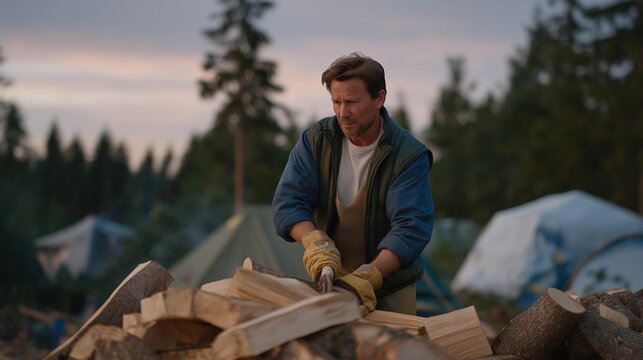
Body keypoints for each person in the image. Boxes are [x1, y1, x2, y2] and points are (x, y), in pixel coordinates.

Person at [272, 53, 434, 314]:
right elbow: (288, 204)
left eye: (352, 102)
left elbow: (410, 228)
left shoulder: (408, 155)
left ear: (379, 98)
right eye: (336, 102)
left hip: (392, 287)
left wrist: (370, 276)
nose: (342, 113)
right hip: (331, 282)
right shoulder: (316, 141)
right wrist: (315, 242)